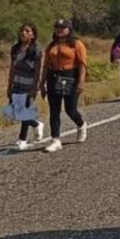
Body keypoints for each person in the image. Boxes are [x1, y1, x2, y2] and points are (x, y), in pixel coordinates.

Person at [40, 19, 88, 153]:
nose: (60, 30)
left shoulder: (77, 44)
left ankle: (81, 124)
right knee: (54, 110)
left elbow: (82, 64)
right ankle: (55, 139)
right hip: (53, 77)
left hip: (70, 77)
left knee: (70, 109)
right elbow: (45, 66)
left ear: (69, 29)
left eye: (63, 27)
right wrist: (42, 83)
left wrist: (81, 81)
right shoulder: (51, 46)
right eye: (57, 27)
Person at [7, 23, 45, 150]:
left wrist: (35, 87)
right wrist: (9, 86)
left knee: (25, 111)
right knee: (17, 112)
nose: (23, 33)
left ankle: (22, 140)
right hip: (17, 84)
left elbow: (37, 71)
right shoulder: (15, 49)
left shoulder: (36, 50)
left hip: (29, 85)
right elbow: (12, 68)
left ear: (32, 34)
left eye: (27, 31)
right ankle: (36, 124)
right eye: (22, 31)